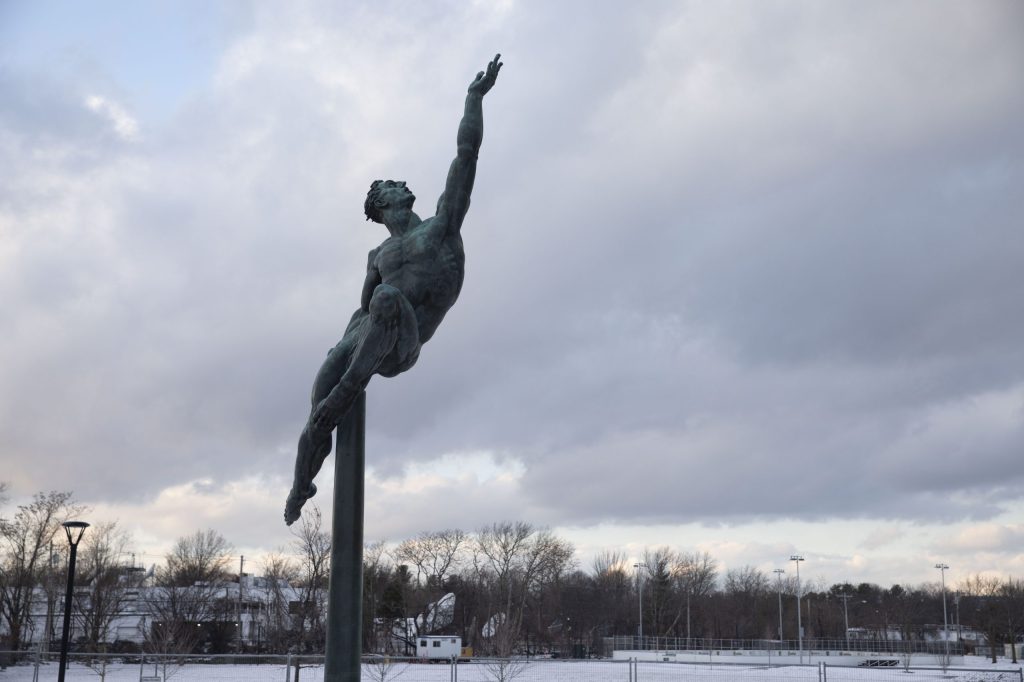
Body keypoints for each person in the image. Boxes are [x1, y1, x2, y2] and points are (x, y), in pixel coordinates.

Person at [285, 54, 503, 525]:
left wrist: (473, 98)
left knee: (384, 305)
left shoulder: (441, 229)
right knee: (317, 403)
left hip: (401, 346)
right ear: (383, 203)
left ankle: (344, 392)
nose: (404, 182)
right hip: (368, 337)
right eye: (392, 183)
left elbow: (466, 157)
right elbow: (361, 313)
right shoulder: (377, 258)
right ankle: (300, 486)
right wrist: (340, 349)